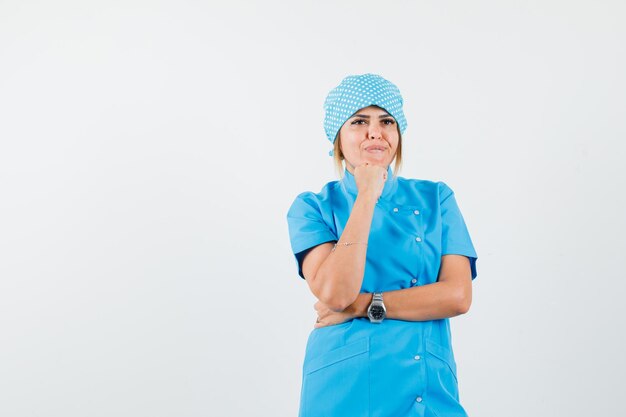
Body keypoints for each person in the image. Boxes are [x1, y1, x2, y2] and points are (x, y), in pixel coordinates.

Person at [286, 73, 478, 417]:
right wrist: (367, 194)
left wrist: (366, 305)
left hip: (427, 387)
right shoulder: (313, 207)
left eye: (386, 121)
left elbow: (458, 296)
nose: (375, 132)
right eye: (359, 121)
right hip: (344, 386)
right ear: (338, 138)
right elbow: (335, 293)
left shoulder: (436, 198)